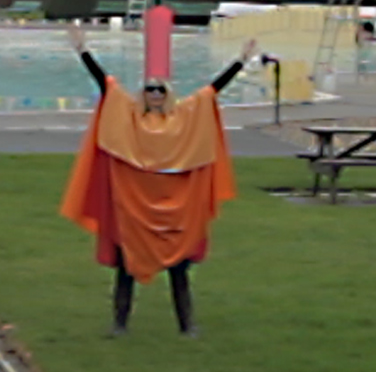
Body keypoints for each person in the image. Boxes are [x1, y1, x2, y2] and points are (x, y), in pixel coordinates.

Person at [60, 22, 254, 337]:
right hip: (133, 207)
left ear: (168, 94)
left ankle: (187, 324)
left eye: (160, 90)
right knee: (125, 269)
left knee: (179, 272)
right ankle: (119, 324)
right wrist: (83, 51)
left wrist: (240, 61)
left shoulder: (184, 117)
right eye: (149, 89)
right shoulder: (129, 117)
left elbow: (212, 92)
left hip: (175, 210)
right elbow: (106, 85)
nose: (154, 94)